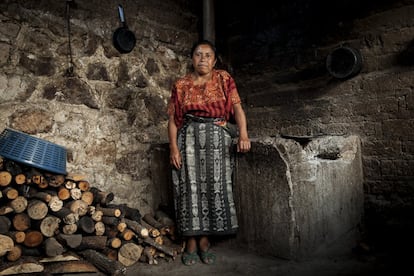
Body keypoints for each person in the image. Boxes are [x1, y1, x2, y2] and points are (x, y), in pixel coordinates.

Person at [167, 39, 251, 266]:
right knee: (188, 187)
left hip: (216, 139)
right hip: (188, 139)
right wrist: (174, 147)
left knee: (213, 187)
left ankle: (204, 240)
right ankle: (191, 241)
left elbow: (237, 109)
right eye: (198, 54)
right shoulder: (181, 84)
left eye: (207, 55)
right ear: (191, 59)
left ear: (214, 60)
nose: (202, 59)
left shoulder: (224, 78)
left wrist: (243, 135)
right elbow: (173, 120)